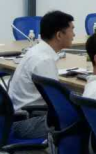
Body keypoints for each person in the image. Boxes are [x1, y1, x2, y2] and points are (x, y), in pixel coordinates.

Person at [8, 10, 75, 139]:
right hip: (27, 123)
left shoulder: (36, 51)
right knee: (85, 123)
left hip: (22, 116)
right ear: (59, 35)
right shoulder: (44, 60)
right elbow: (57, 102)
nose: (74, 34)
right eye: (72, 30)